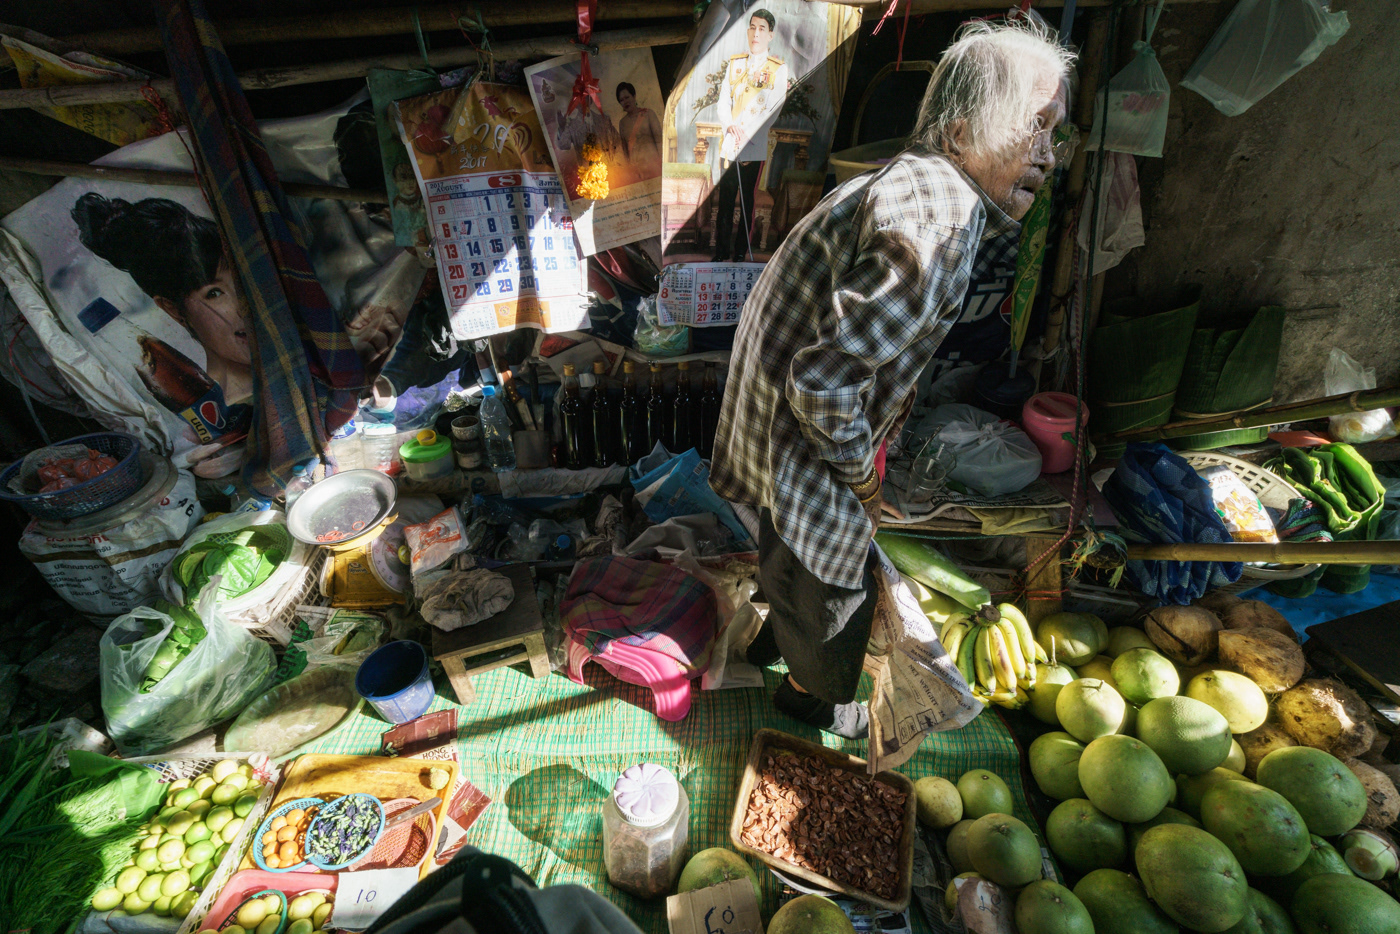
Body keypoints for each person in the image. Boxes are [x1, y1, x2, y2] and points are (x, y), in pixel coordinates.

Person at [710, 20, 1075, 738]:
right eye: (1037, 127)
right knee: (835, 588)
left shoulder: (919, 183)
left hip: (777, 432)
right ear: (963, 131)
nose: (1050, 155)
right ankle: (812, 699)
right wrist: (863, 478)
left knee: (790, 553)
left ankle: (773, 642)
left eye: (1053, 133)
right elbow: (822, 384)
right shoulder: (938, 215)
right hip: (802, 439)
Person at [71, 193, 254, 437]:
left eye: (242, 281)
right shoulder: (212, 409)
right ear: (173, 309)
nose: (245, 305)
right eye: (214, 293)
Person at [712, 8, 789, 262]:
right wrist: (730, 124)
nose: (756, 33)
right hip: (730, 143)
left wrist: (748, 131)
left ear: (770, 35)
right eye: (753, 28)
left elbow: (774, 108)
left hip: (753, 147)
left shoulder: (778, 69)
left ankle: (739, 253)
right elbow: (723, 101)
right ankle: (720, 253)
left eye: (762, 29)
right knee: (724, 202)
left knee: (747, 203)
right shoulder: (735, 65)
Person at [615, 81, 662, 178]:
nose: (625, 102)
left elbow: (660, 140)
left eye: (627, 97)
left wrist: (663, 164)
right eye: (622, 100)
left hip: (654, 166)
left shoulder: (648, 114)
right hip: (638, 172)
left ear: (634, 96)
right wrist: (630, 171)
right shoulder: (622, 123)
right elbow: (625, 151)